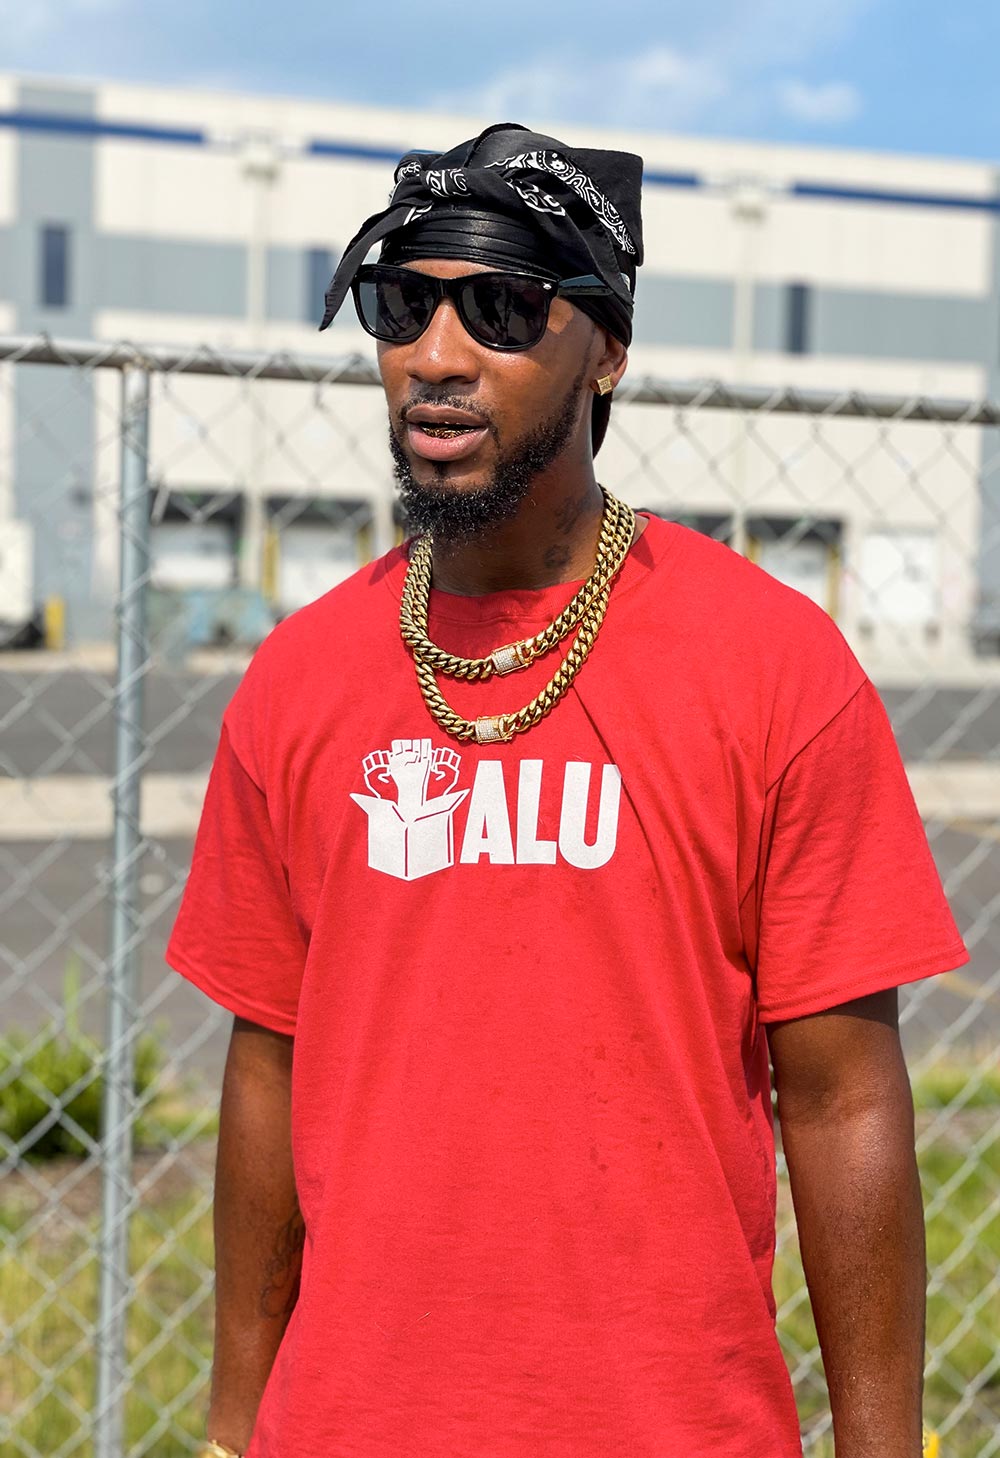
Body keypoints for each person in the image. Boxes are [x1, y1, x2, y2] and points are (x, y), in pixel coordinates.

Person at [166, 123, 969, 1458]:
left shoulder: (772, 668)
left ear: (607, 348)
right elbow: (269, 1062)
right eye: (400, 304)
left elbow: (843, 1100)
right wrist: (233, 1428)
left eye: (499, 308)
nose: (435, 354)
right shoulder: (297, 680)